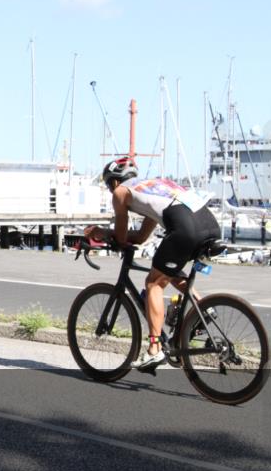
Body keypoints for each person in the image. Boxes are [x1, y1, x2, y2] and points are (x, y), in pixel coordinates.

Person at [84, 157, 220, 371]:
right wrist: (118, 237)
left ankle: (154, 350)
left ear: (114, 182)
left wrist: (102, 234)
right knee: (168, 271)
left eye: (109, 186)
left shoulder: (121, 193)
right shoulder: (153, 189)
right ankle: (203, 308)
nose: (112, 192)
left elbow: (122, 238)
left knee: (153, 284)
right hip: (209, 224)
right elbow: (139, 238)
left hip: (186, 228)